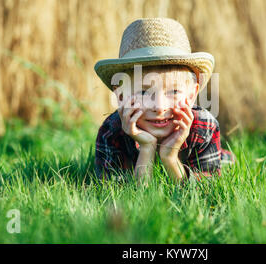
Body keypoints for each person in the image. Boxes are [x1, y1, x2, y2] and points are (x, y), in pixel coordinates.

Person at [93, 18, 235, 183]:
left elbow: (204, 193)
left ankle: (225, 157)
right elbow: (123, 196)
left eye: (174, 91)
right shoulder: (112, 130)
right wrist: (146, 149)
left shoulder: (204, 127)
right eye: (144, 92)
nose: (159, 107)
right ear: (122, 97)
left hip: (202, 159)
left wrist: (170, 158)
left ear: (190, 96)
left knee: (225, 164)